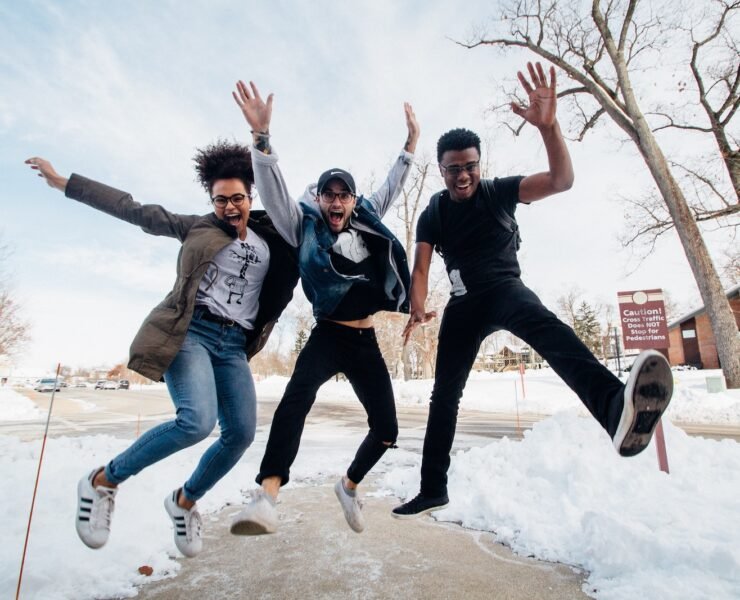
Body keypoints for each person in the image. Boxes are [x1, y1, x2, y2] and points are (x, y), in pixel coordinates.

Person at [392, 62, 673, 518]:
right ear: (440, 170)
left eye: (469, 167)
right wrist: (418, 307)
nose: (462, 176)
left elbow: (561, 181)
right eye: (452, 170)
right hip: (464, 306)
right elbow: (420, 266)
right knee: (444, 395)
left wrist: (549, 127)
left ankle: (614, 408)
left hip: (505, 288)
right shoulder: (434, 213)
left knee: (550, 331)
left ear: (478, 164)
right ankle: (432, 487)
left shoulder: (500, 191)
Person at [25, 142, 298, 556]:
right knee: (196, 421)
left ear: (250, 198)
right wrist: (66, 183)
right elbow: (132, 209)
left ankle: (184, 502)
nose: (229, 207)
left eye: (237, 198)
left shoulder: (271, 237)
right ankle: (103, 480)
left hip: (233, 346)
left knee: (240, 434)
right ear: (212, 201)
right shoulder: (196, 227)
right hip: (189, 333)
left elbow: (305, 226)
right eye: (220, 200)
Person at [228, 81, 419, 534]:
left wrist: (410, 145)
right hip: (327, 334)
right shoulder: (303, 226)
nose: (336, 202)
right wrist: (262, 141)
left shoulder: (367, 216)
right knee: (294, 403)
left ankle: (349, 485)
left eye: (343, 195)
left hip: (364, 337)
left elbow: (393, 185)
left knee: (388, 429)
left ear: (352, 200)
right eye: (328, 195)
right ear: (320, 199)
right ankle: (267, 496)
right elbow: (273, 194)